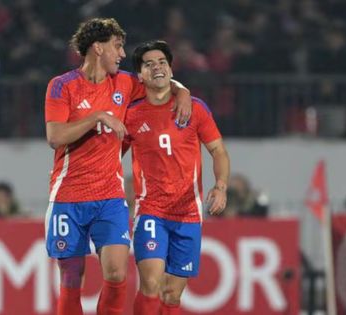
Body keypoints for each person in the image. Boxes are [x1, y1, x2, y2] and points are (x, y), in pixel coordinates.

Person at [44, 18, 192, 315]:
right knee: (72, 278)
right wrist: (97, 116)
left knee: (116, 274)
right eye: (117, 46)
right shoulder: (62, 86)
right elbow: (55, 136)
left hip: (109, 197)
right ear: (98, 48)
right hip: (67, 197)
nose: (122, 54)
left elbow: (159, 79)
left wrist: (182, 90)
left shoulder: (124, 83)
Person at [124, 40, 230, 315]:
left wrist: (221, 187)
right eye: (148, 64)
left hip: (187, 213)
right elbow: (111, 154)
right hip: (151, 210)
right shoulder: (132, 115)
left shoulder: (194, 108)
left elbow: (218, 150)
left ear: (171, 69)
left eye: (162, 62)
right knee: (150, 282)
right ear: (140, 76)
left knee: (172, 294)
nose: (156, 67)